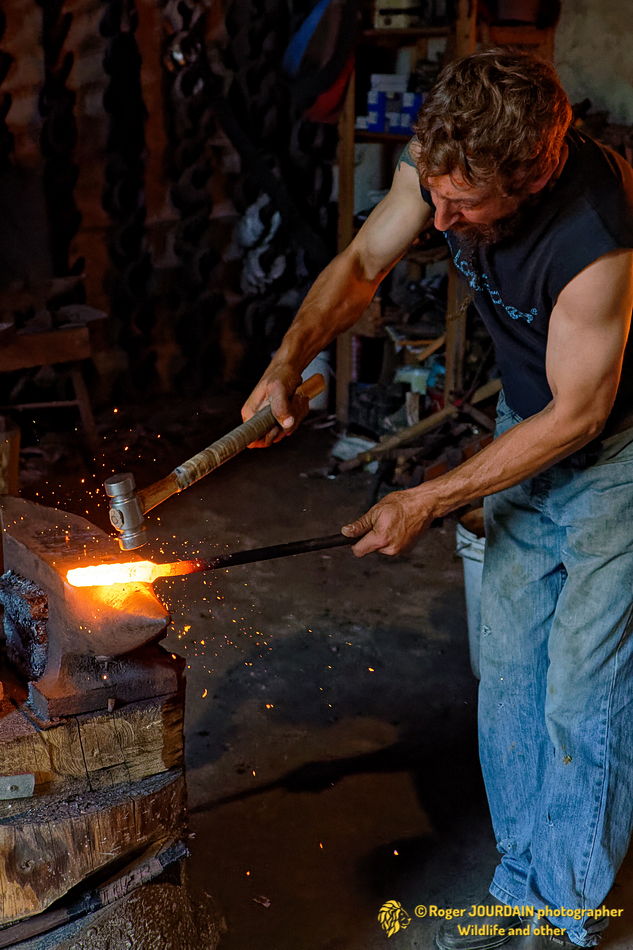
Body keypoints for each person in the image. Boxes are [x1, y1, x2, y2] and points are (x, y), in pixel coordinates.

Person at [242, 48, 633, 949]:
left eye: (465, 206)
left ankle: (566, 907)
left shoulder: (597, 236)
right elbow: (360, 263)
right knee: (509, 666)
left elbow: (579, 415)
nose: (442, 220)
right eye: (436, 195)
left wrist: (426, 497)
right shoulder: (441, 162)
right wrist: (286, 361)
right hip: (530, 414)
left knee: (583, 683)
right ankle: (522, 873)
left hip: (613, 444)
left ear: (532, 176)